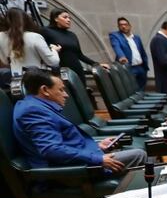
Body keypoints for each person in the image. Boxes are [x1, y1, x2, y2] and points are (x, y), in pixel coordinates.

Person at [12, 68, 146, 173]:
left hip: (77, 161)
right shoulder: (33, 111)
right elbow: (51, 149)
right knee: (138, 155)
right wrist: (97, 159)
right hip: (69, 171)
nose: (66, 95)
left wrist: (97, 145)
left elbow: (64, 141)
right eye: (61, 90)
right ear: (45, 90)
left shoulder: (36, 106)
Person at [40, 9, 107, 81]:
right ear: (55, 18)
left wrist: (96, 64)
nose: (68, 20)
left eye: (69, 18)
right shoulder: (45, 31)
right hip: (61, 73)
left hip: (78, 71)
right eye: (65, 17)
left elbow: (80, 55)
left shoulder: (72, 35)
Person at [0, 8, 59, 74]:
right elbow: (53, 62)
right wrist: (54, 50)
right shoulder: (35, 37)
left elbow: (4, 61)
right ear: (26, 20)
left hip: (15, 79)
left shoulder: (1, 36)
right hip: (37, 78)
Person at [108, 17, 149, 89]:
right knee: (131, 90)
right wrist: (121, 56)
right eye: (121, 25)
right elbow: (116, 46)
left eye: (125, 24)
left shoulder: (136, 38)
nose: (123, 26)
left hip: (140, 67)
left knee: (142, 90)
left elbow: (142, 52)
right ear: (118, 27)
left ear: (130, 26)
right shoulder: (115, 36)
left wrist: (145, 67)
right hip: (129, 68)